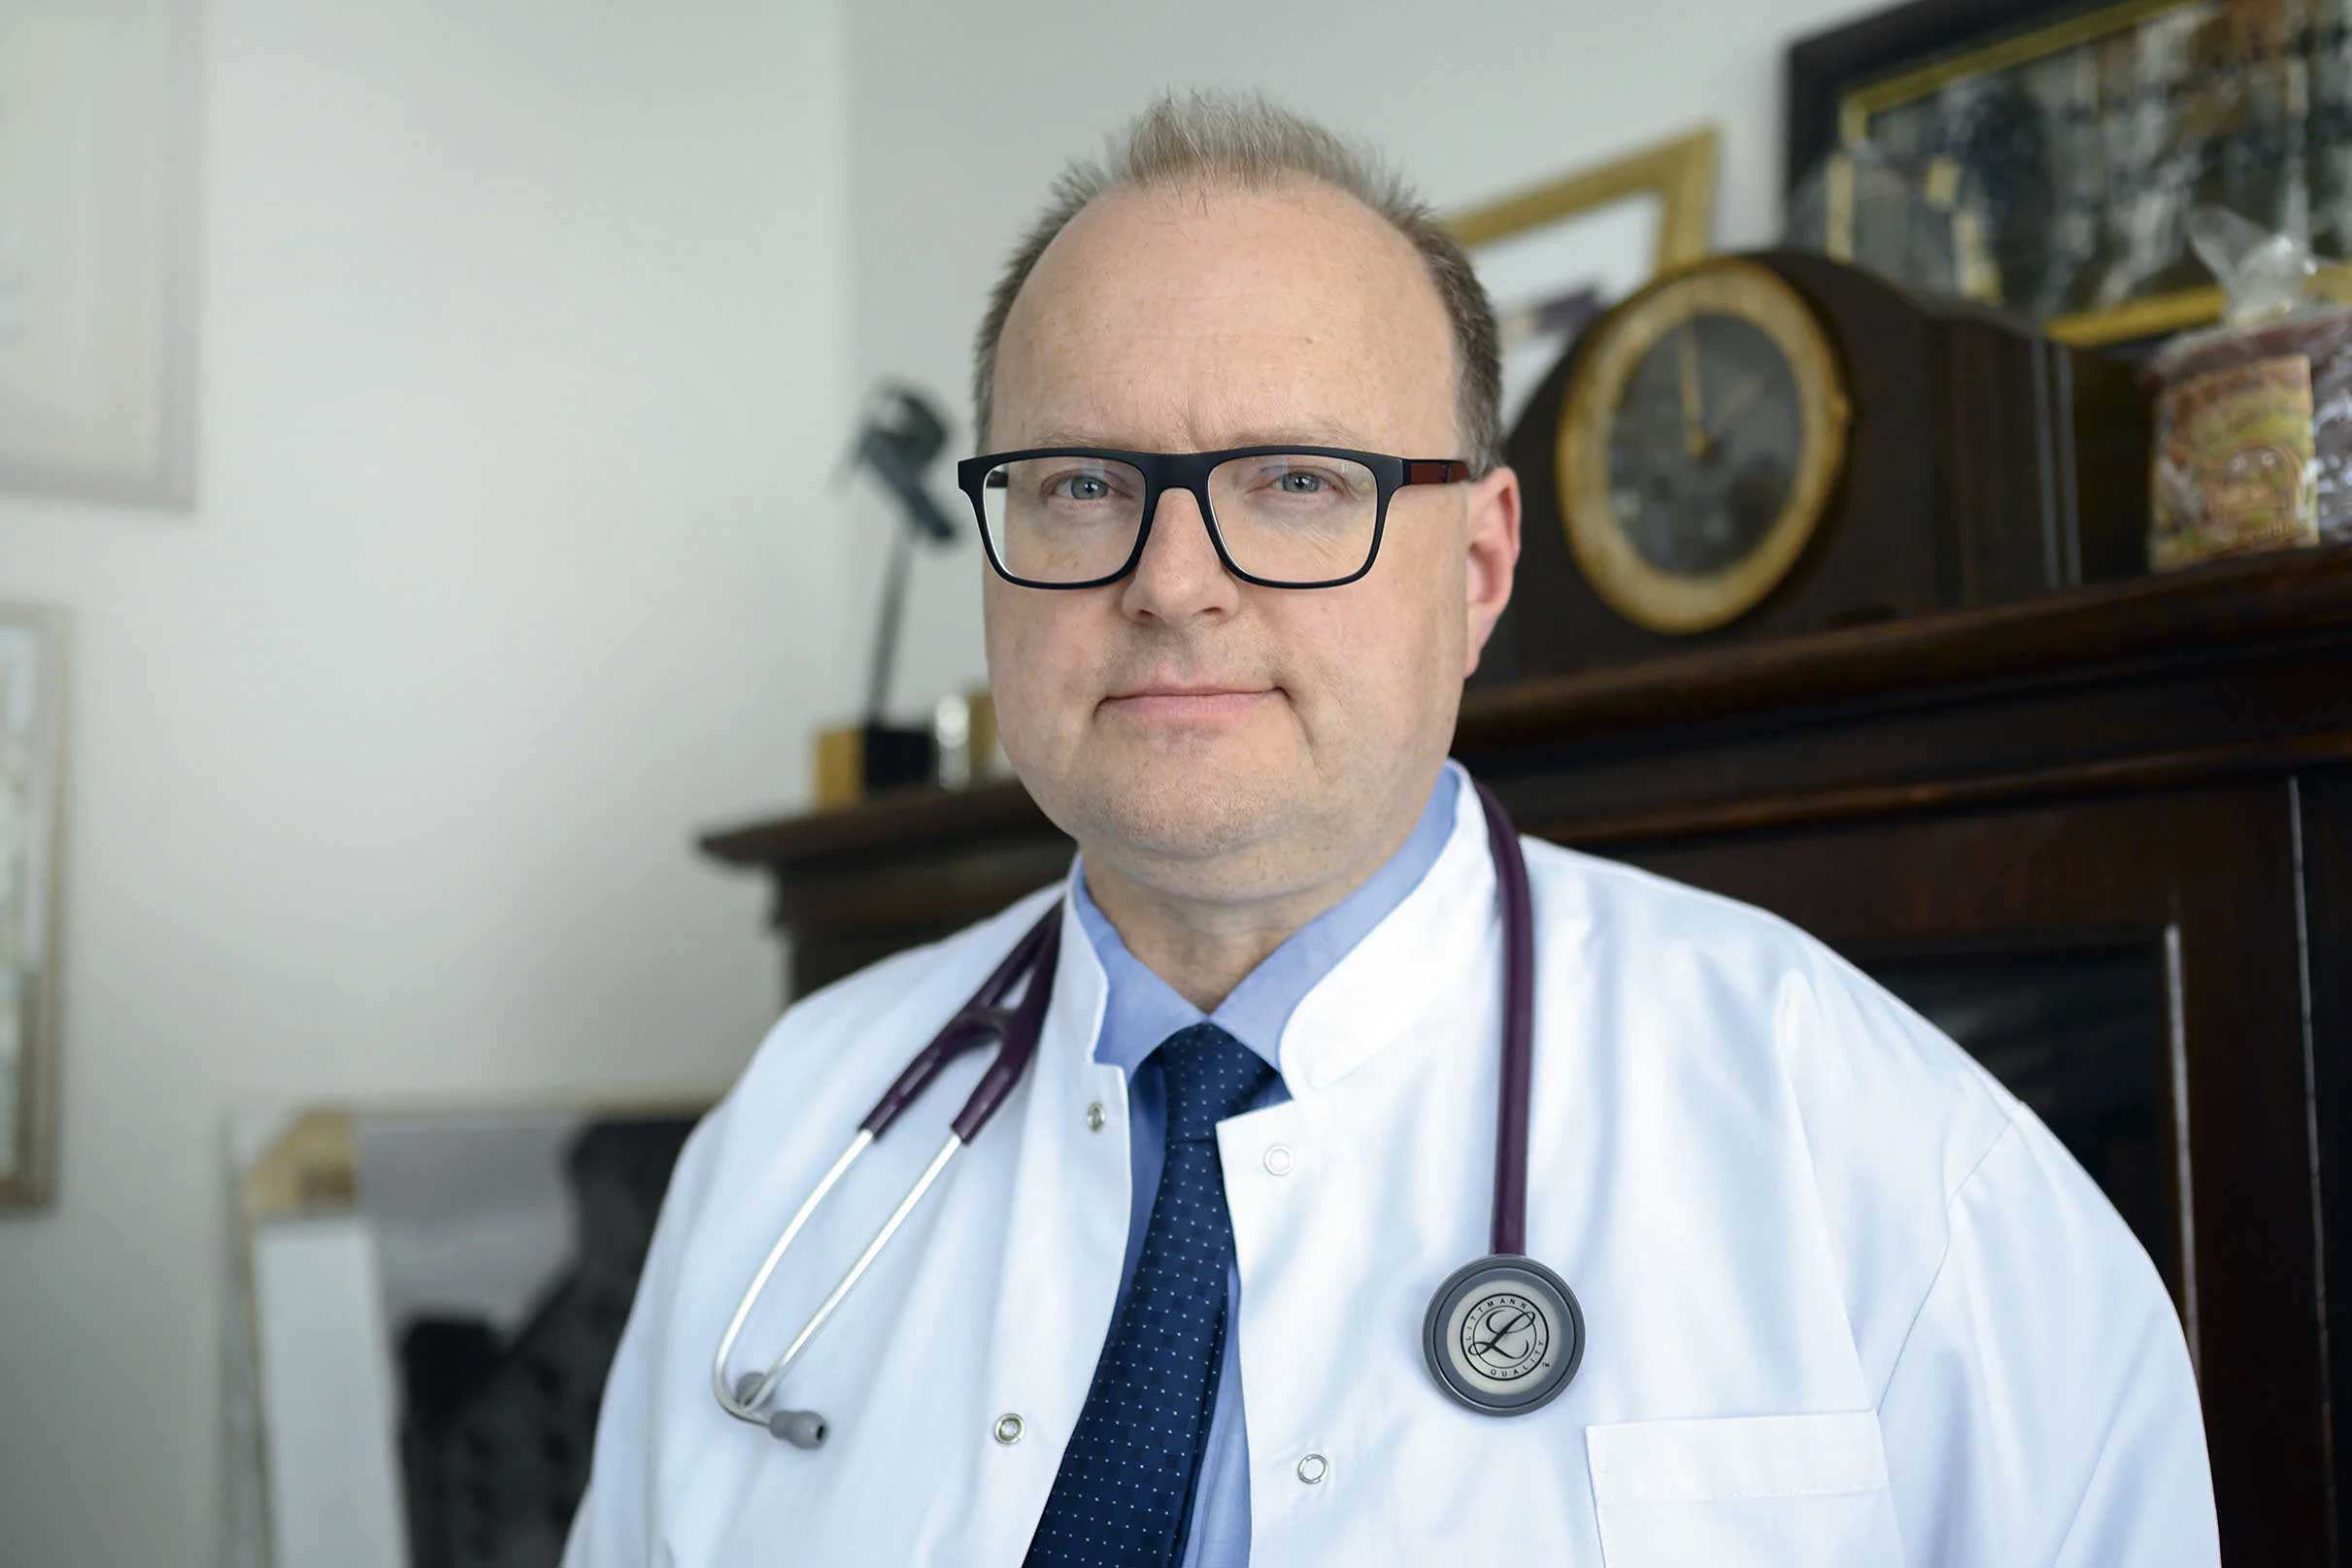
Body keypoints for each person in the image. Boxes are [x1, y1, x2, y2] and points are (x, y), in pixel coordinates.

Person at [563, 89, 2217, 1566]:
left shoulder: (1895, 1162)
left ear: (1478, 569)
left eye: (1295, 480)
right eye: (1079, 484)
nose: (1172, 582)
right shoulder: (793, 1131)